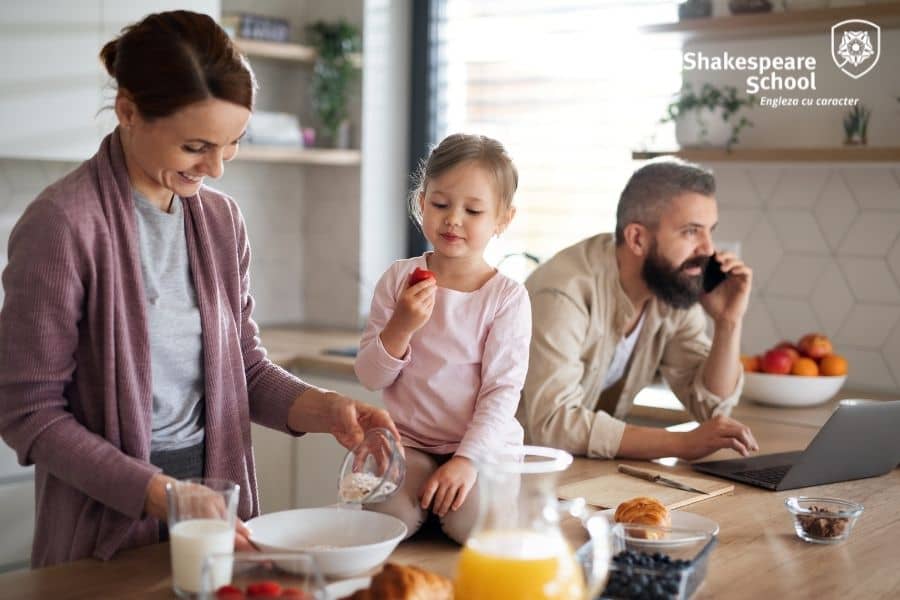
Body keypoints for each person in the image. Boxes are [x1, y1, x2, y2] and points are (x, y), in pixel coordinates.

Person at [0, 10, 399, 568]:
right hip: (106, 527)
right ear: (129, 111)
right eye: (195, 146)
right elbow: (29, 412)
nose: (215, 167)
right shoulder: (62, 225)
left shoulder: (219, 221)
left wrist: (326, 409)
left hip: (220, 507)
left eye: (232, 143)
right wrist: (163, 496)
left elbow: (246, 370)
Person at [518, 158, 759, 461]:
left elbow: (712, 409)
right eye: (690, 232)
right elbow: (552, 424)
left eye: (710, 231)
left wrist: (728, 322)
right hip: (513, 473)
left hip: (578, 471)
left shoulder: (669, 290)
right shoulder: (564, 292)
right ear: (637, 238)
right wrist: (681, 444)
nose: (708, 249)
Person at [354, 134, 531, 544]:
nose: (453, 219)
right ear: (421, 203)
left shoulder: (506, 297)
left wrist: (467, 461)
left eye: (473, 210)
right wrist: (401, 325)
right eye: (440, 204)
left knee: (474, 526)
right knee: (383, 517)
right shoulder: (398, 279)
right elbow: (369, 377)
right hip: (411, 443)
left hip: (482, 449)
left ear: (502, 219)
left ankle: (449, 501)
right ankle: (426, 504)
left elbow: (502, 393)